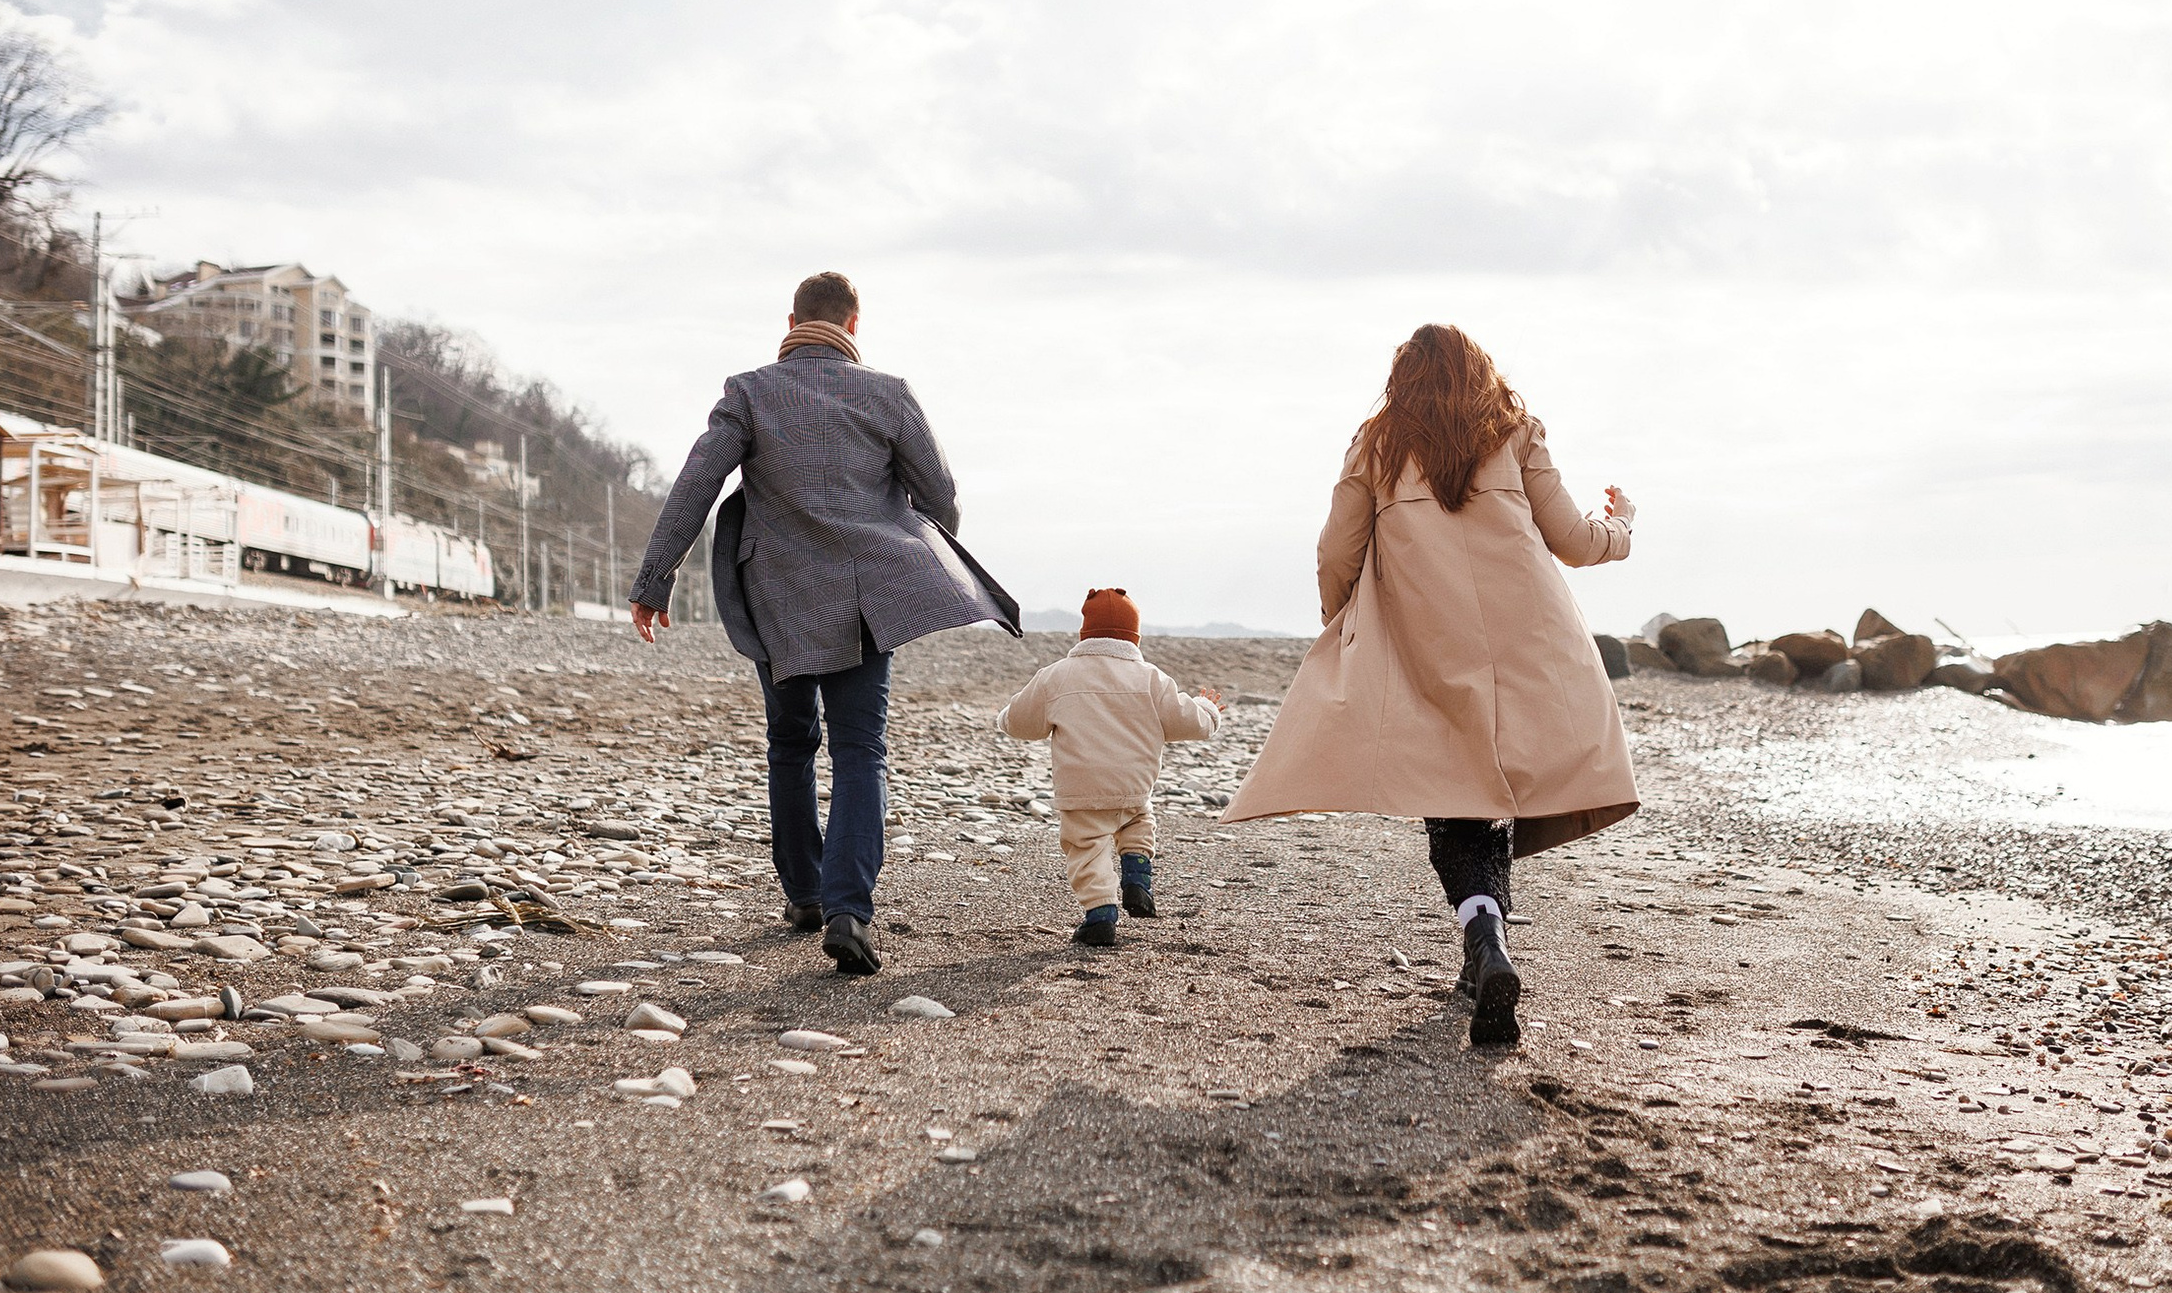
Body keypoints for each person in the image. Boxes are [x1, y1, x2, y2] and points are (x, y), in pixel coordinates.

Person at [1221, 324, 1636, 1046]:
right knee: (1494, 796)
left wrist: (1344, 622)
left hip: (1425, 642)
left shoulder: (1379, 442)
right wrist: (1621, 525)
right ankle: (1485, 953)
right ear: (1479, 372)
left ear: (1403, 379)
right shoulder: (1516, 430)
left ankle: (1484, 940)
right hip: (1527, 635)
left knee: (1456, 804)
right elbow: (1573, 540)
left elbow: (1336, 550)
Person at [625, 271, 1019, 977]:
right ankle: (848, 911)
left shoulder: (748, 391)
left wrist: (656, 582)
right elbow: (943, 497)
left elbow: (697, 482)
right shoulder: (889, 394)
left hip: (774, 596)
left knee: (791, 741)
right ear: (854, 325)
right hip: (867, 599)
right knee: (861, 747)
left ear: (792, 320)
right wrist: (910, 553)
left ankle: (804, 894)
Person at [998, 589, 1224, 946]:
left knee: (1086, 847)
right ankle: (1136, 878)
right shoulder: (1152, 679)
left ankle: (1101, 914)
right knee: (1138, 820)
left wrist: (1005, 718)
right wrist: (1207, 710)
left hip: (1081, 791)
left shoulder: (1057, 676)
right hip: (1134, 786)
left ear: (1084, 635)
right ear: (1135, 638)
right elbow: (1188, 721)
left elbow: (1023, 723)